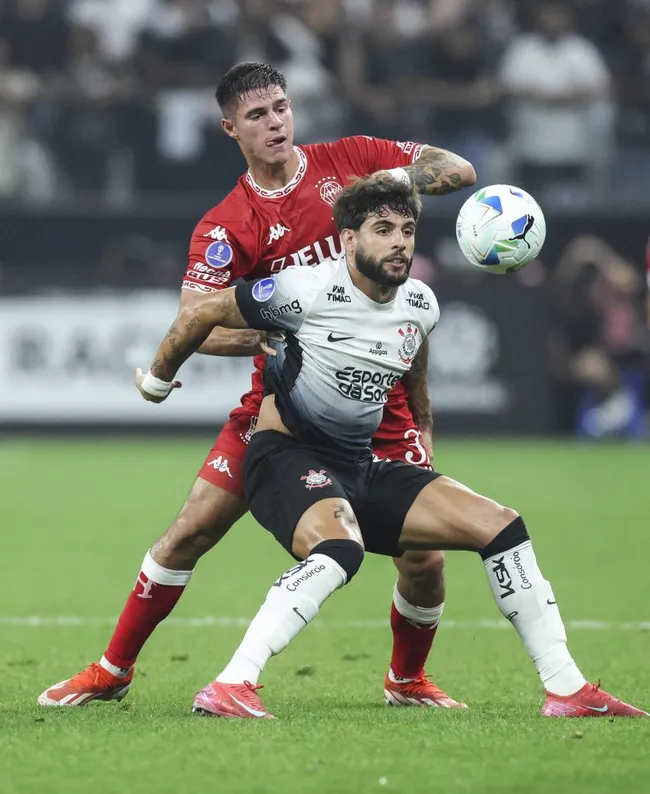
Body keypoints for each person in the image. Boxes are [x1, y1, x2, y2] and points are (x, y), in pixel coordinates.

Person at [38, 62, 477, 709]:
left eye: (280, 108)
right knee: (189, 531)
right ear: (229, 128)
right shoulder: (228, 225)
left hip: (377, 403)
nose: (274, 123)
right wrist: (273, 334)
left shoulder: (349, 161)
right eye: (256, 115)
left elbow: (459, 170)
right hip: (285, 409)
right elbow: (197, 322)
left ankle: (406, 681)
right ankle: (112, 669)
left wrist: (390, 181)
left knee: (425, 559)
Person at [136, 174, 648, 720]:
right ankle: (232, 683)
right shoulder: (301, 289)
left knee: (502, 526)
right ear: (350, 240)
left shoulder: (421, 303)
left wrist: (421, 429)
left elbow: (414, 366)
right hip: (284, 457)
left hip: (362, 464)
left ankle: (566, 688)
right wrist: (159, 379)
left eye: (407, 230)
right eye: (383, 230)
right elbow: (199, 313)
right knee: (340, 549)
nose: (400, 241)